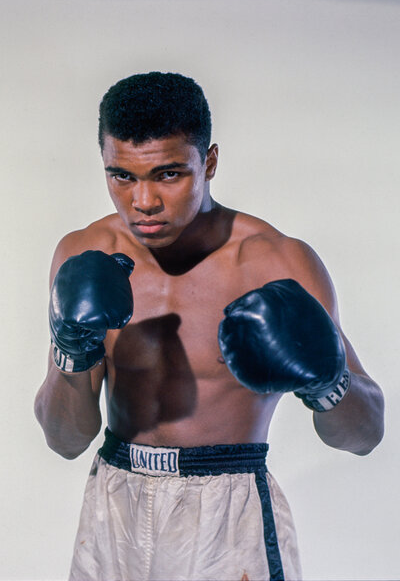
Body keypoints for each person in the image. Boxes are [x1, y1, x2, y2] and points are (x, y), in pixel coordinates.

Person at [34, 72, 384, 581]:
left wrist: (328, 382)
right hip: (113, 503)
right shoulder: (86, 255)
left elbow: (365, 435)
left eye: (169, 174)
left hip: (228, 516)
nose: (144, 201)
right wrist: (70, 351)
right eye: (122, 176)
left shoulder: (275, 263)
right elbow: (65, 440)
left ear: (210, 162)